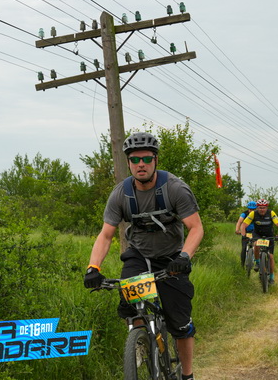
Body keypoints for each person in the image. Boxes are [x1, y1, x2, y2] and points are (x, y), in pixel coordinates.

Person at [83, 132, 202, 380]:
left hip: (172, 258)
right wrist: (93, 267)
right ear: (128, 163)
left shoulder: (175, 188)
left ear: (155, 160)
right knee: (130, 306)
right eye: (135, 160)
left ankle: (187, 375)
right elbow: (105, 235)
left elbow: (196, 228)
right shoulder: (121, 194)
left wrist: (184, 257)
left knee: (180, 323)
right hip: (139, 256)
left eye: (147, 159)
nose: (141, 164)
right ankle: (140, 343)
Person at [240, 198, 278, 285]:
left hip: (269, 234)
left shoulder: (271, 213)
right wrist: (244, 235)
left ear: (267, 208)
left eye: (264, 208)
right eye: (260, 208)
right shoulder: (253, 213)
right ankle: (257, 262)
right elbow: (243, 225)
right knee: (256, 245)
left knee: (271, 257)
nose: (262, 210)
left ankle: (271, 277)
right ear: (257, 208)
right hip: (257, 234)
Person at [235, 201, 257, 267]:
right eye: (250, 209)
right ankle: (242, 264)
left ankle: (259, 262)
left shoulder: (258, 214)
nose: (251, 211)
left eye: (253, 209)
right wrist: (237, 230)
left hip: (255, 232)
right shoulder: (244, 214)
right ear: (248, 209)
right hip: (246, 232)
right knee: (244, 248)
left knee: (258, 246)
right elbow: (239, 222)